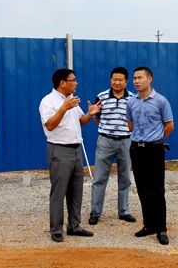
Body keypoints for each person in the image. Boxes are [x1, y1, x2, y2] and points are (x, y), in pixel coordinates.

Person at [39, 68, 101, 243]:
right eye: (72, 80)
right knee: (59, 192)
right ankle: (56, 229)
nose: (76, 83)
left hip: (76, 149)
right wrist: (64, 108)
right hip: (59, 150)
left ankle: (74, 226)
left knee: (76, 191)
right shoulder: (48, 101)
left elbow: (80, 121)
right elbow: (49, 125)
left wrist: (90, 114)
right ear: (62, 83)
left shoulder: (71, 99)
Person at [126, 66, 174, 245]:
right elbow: (130, 124)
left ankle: (161, 229)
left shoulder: (161, 101)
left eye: (140, 78)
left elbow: (169, 126)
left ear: (149, 79)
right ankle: (149, 225)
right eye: (134, 78)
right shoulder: (131, 102)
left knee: (157, 190)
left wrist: (156, 140)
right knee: (142, 188)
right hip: (136, 149)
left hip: (154, 150)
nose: (136, 81)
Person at [88, 66, 136, 226]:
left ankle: (124, 211)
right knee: (99, 178)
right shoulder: (101, 97)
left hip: (126, 141)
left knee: (125, 178)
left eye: (120, 80)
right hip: (105, 141)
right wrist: (107, 130)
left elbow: (135, 121)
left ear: (126, 82)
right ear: (111, 80)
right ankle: (95, 212)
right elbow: (97, 118)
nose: (117, 82)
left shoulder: (133, 98)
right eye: (114, 79)